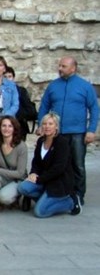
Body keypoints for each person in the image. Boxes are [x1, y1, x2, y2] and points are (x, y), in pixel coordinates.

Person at [37, 56, 98, 205]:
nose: (60, 69)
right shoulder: (53, 86)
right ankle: (55, 192)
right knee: (54, 164)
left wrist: (91, 130)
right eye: (59, 66)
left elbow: (95, 109)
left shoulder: (85, 86)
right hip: (56, 134)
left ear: (73, 68)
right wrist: (41, 124)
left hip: (77, 133)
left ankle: (78, 195)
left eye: (63, 66)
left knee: (77, 165)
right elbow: (44, 106)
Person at [17, 112, 82, 217]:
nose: (47, 126)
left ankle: (71, 202)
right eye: (44, 124)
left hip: (58, 183)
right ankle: (45, 200)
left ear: (56, 126)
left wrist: (39, 179)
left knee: (40, 212)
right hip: (44, 180)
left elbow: (58, 168)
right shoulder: (40, 141)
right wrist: (33, 173)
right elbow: (36, 161)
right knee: (22, 188)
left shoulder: (62, 142)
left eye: (50, 124)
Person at [0, 116, 28, 209]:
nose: (6, 129)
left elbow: (20, 173)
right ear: (0, 128)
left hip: (17, 179)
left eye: (10, 126)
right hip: (3, 177)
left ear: (14, 129)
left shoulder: (21, 146)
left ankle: (16, 196)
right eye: (4, 126)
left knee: (4, 197)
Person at [5, 66, 38, 140]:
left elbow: (29, 109)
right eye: (5, 77)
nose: (7, 79)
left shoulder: (21, 91)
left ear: (13, 78)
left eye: (9, 76)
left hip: (19, 126)